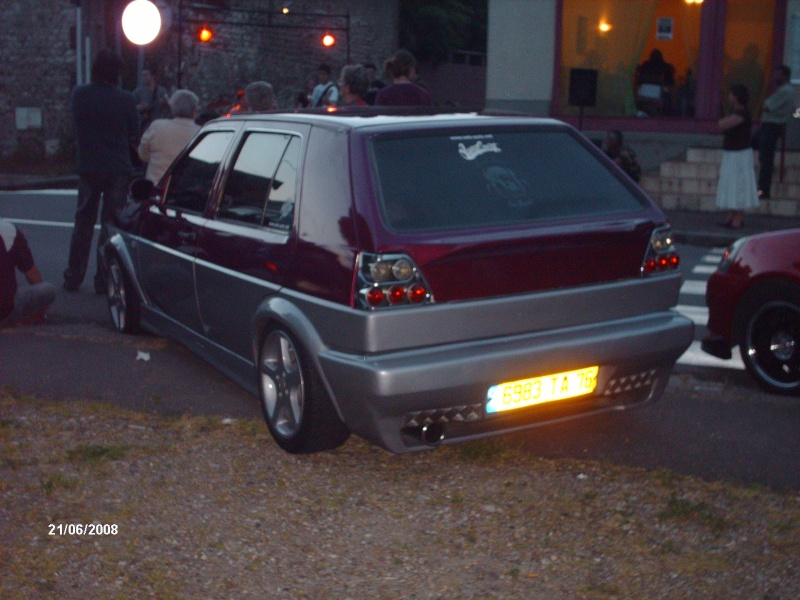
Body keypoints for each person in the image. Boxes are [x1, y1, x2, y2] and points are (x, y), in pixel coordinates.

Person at [64, 50, 139, 294]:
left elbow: (75, 125)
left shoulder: (79, 95)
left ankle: (73, 276)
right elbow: (133, 131)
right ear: (116, 74)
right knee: (110, 226)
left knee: (83, 223)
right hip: (117, 167)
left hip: (89, 166)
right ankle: (103, 279)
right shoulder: (126, 99)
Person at [715, 84, 759, 229]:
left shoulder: (742, 113)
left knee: (739, 184)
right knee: (731, 183)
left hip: (740, 154)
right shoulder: (735, 112)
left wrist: (722, 119)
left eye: (732, 94)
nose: (729, 97)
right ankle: (732, 215)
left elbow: (723, 124)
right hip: (732, 152)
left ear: (737, 97)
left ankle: (738, 216)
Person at [1, 219, 56, 328]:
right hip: (3, 311)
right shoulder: (8, 231)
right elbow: (32, 274)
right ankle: (32, 319)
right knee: (48, 290)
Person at [138, 90, 201, 183]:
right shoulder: (201, 133)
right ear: (194, 112)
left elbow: (143, 154)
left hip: (156, 187)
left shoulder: (157, 127)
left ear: (172, 108)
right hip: (188, 190)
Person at [752, 65, 796, 199]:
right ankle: (759, 188)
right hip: (768, 126)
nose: (775, 77)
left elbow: (766, 106)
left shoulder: (785, 91)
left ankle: (763, 190)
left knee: (766, 158)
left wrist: (766, 105)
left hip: (772, 126)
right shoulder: (782, 90)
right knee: (752, 146)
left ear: (785, 76)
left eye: (778, 74)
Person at [634, 49, 676, 115]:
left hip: (643, 92)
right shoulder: (665, 66)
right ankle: (668, 113)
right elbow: (670, 83)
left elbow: (638, 80)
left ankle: (643, 113)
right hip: (657, 93)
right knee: (670, 92)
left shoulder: (645, 65)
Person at [133, 68, 169, 136]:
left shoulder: (162, 91)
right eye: (142, 75)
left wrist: (164, 103)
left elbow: (169, 105)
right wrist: (139, 107)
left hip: (159, 125)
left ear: (152, 76)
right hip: (144, 126)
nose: (144, 77)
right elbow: (130, 107)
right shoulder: (137, 92)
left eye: (146, 75)